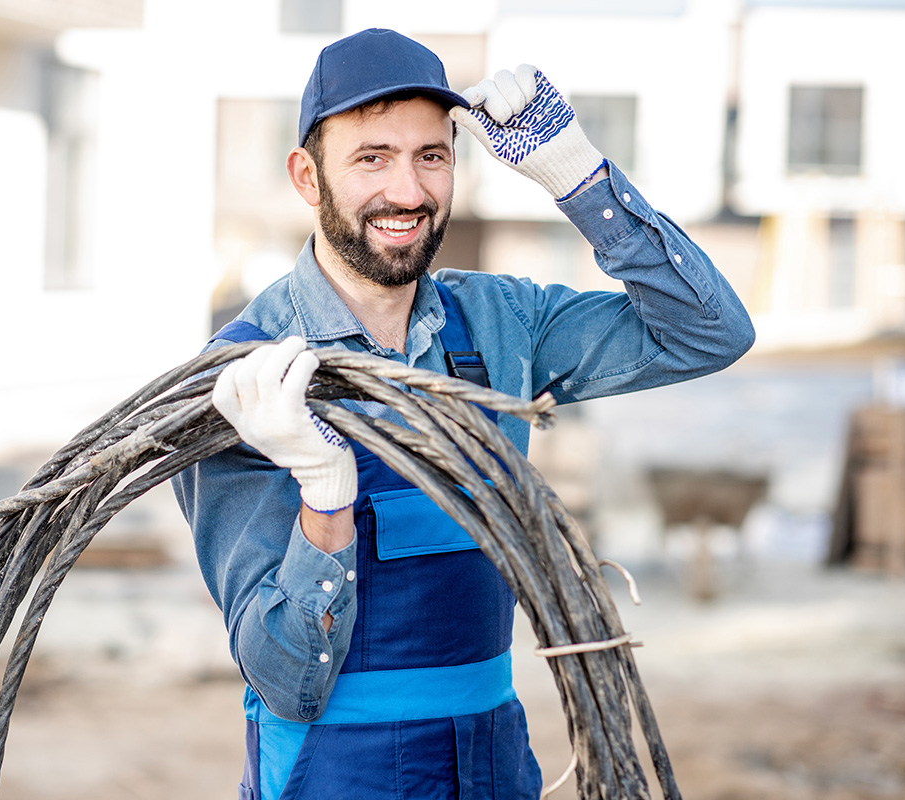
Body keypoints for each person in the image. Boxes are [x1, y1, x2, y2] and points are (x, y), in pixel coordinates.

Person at [172, 27, 754, 799]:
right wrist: (323, 496)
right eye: (372, 157)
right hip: (336, 776)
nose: (408, 193)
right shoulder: (248, 383)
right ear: (307, 178)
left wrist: (581, 178)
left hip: (491, 763)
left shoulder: (500, 325)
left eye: (432, 156)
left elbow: (709, 333)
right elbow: (287, 682)